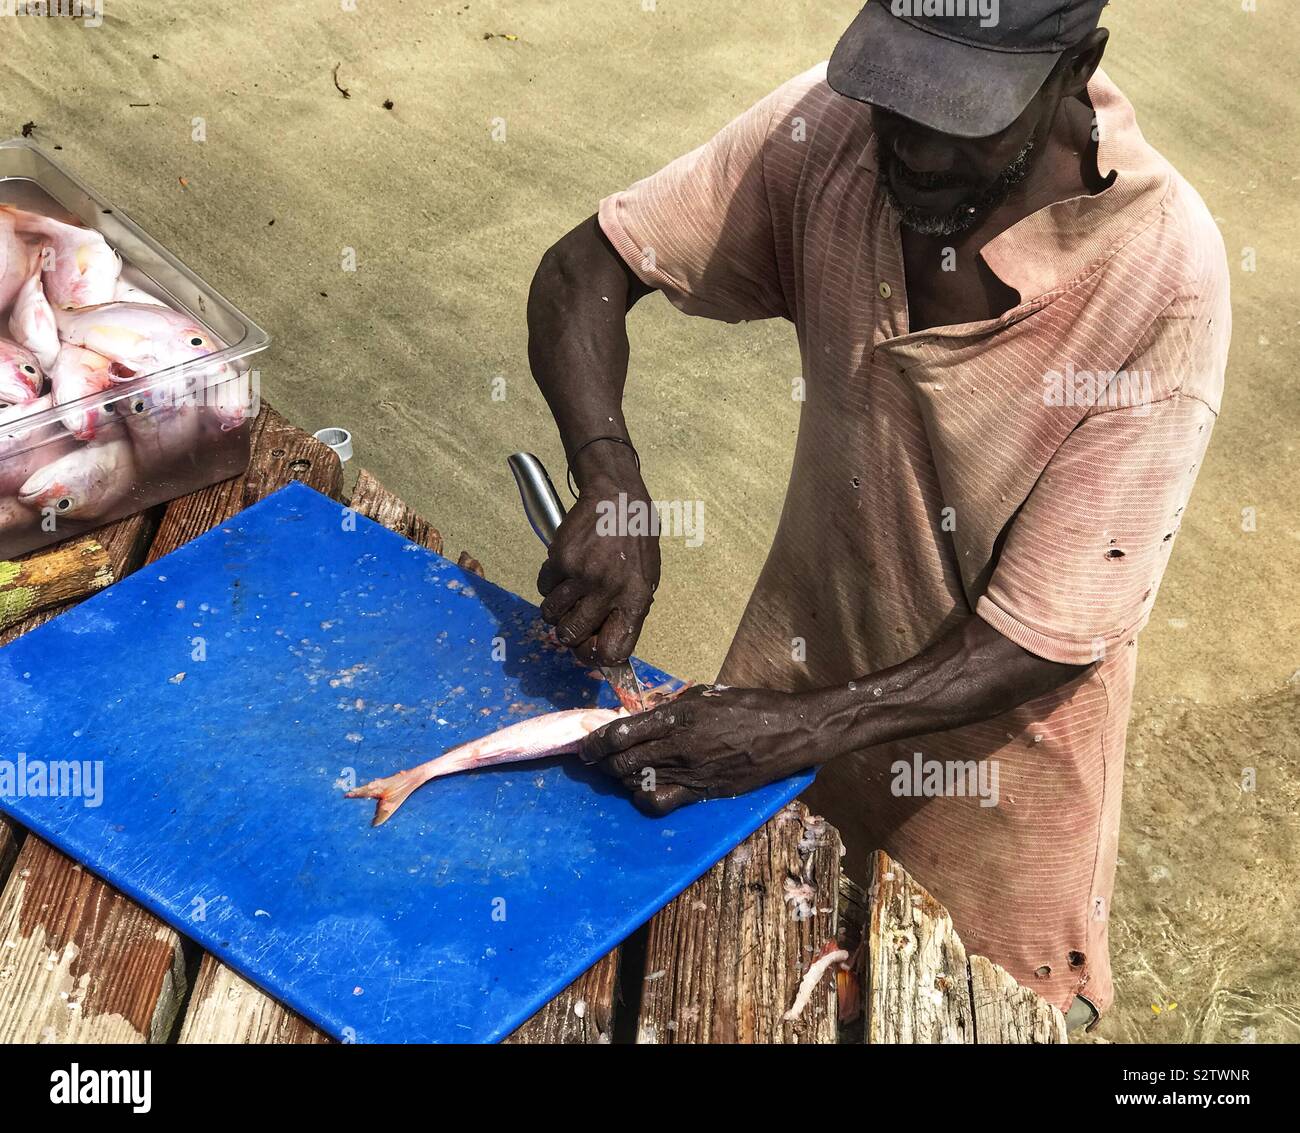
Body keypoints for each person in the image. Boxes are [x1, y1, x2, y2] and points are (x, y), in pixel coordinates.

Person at [524, 0, 1230, 1029]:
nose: (914, 148)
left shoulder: (1162, 279)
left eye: (962, 115)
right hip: (771, 722)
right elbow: (581, 270)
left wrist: (809, 726)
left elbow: (1047, 634)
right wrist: (610, 475)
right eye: (898, 94)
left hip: (989, 812)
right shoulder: (834, 134)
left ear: (1077, 66)